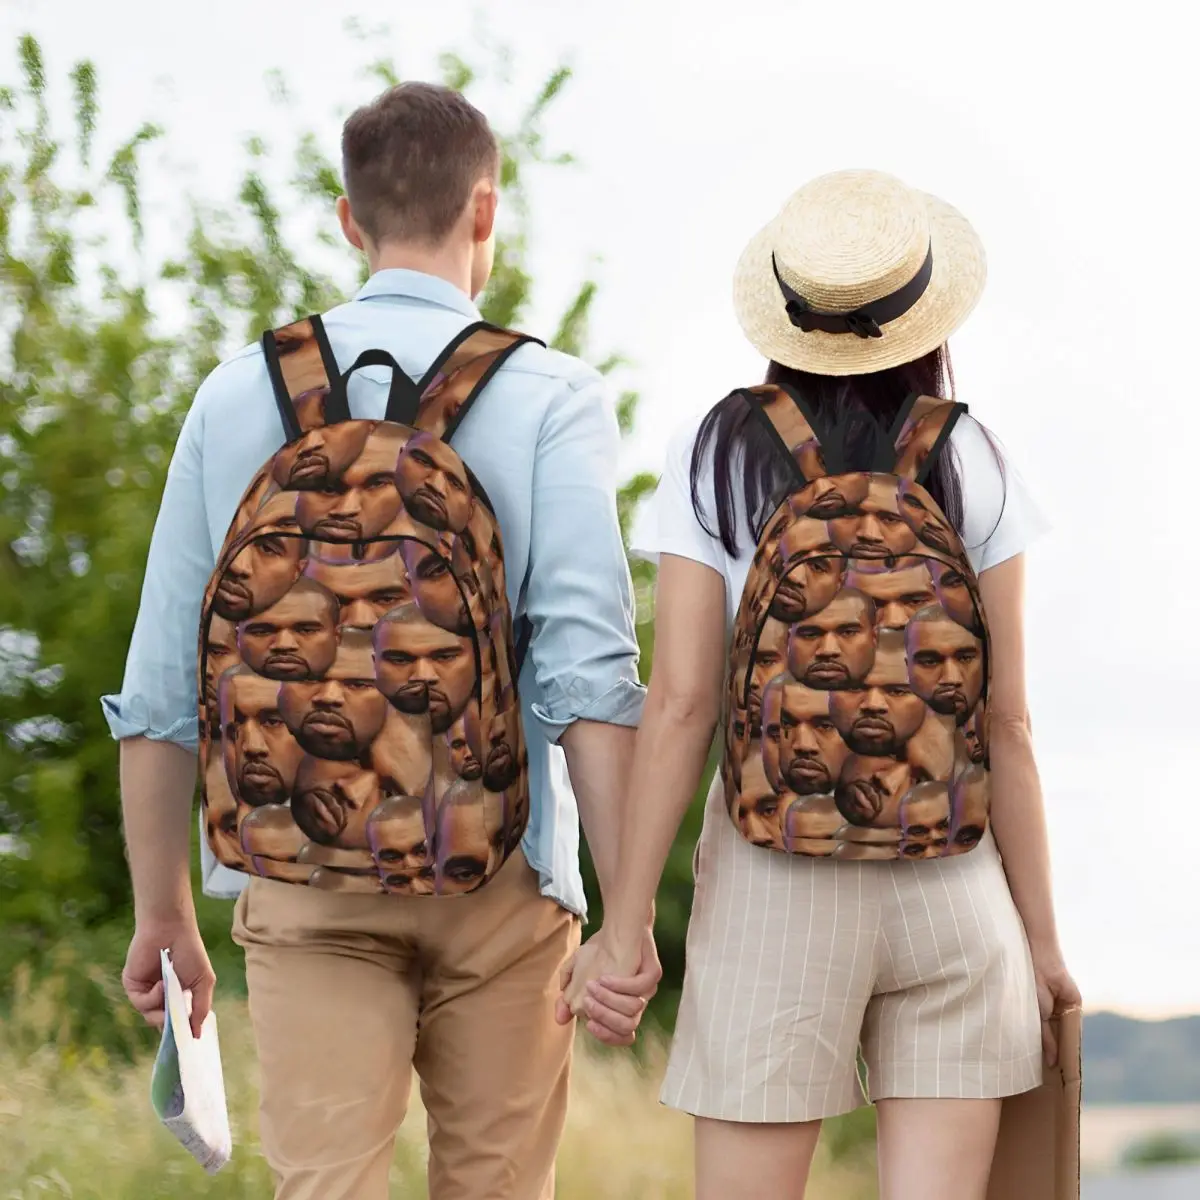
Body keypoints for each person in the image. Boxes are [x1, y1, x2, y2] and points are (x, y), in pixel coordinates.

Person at [104, 81, 657, 1200]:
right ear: (485, 213)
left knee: (326, 1186)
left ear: (349, 221)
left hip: (298, 870)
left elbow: (164, 683)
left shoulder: (234, 395)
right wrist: (628, 918)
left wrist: (162, 912)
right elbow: (590, 678)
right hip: (503, 871)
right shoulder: (551, 395)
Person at [561, 169, 1079, 1200]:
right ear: (924, 315)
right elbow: (1008, 722)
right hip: (954, 883)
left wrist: (623, 929)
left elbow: (681, 707)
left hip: (772, 881)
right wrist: (1043, 944)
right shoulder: (972, 455)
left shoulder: (715, 452)